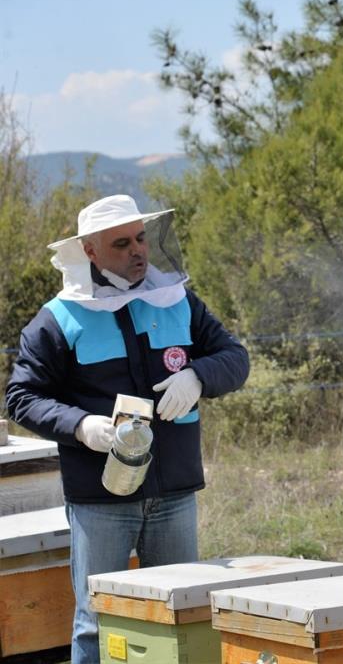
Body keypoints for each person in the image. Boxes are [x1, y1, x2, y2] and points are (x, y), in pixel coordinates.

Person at [5, 194, 249, 663]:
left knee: (179, 617)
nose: (138, 250)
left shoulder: (177, 300)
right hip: (100, 501)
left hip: (174, 494)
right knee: (96, 624)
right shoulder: (58, 319)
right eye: (121, 243)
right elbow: (20, 397)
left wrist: (199, 376)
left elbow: (235, 358)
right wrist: (80, 426)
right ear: (90, 252)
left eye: (141, 238)